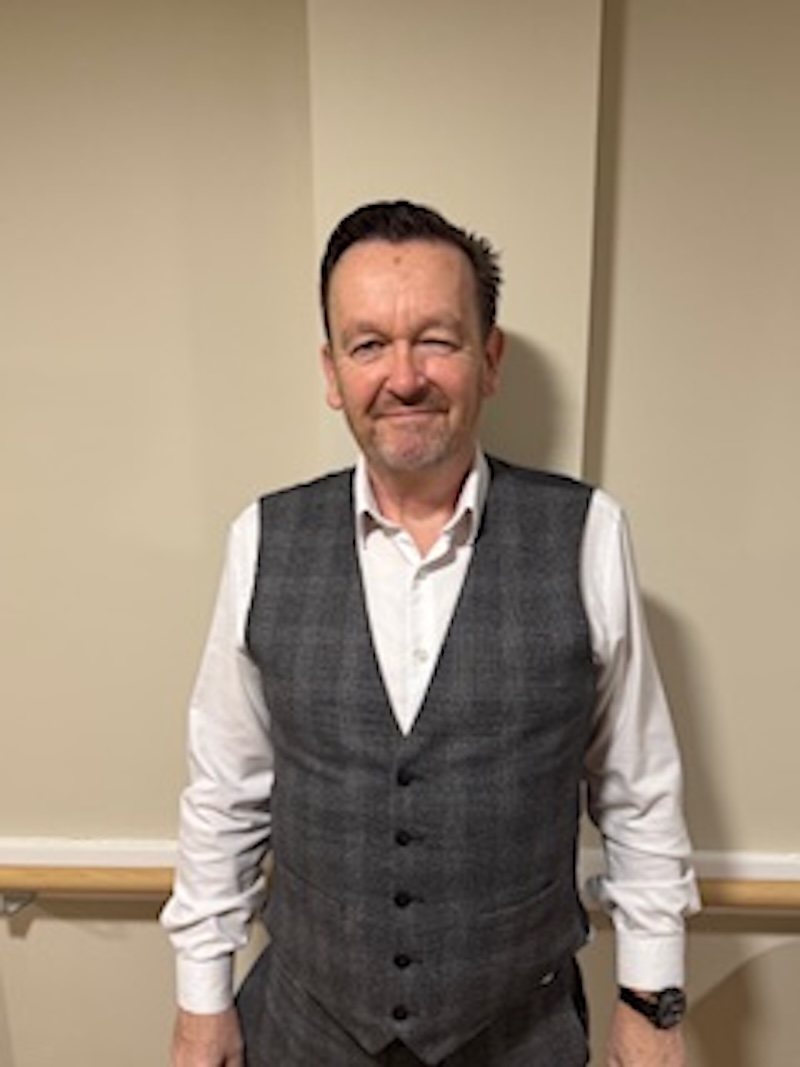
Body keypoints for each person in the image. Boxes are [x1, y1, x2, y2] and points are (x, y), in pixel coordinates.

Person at [161, 200, 700, 1067]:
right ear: (333, 371)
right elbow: (227, 791)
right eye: (368, 344)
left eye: (437, 340)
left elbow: (639, 792)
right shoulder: (261, 538)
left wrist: (653, 1002)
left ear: (489, 360)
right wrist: (200, 999)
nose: (403, 376)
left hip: (522, 1036)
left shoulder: (589, 533)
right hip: (301, 1031)